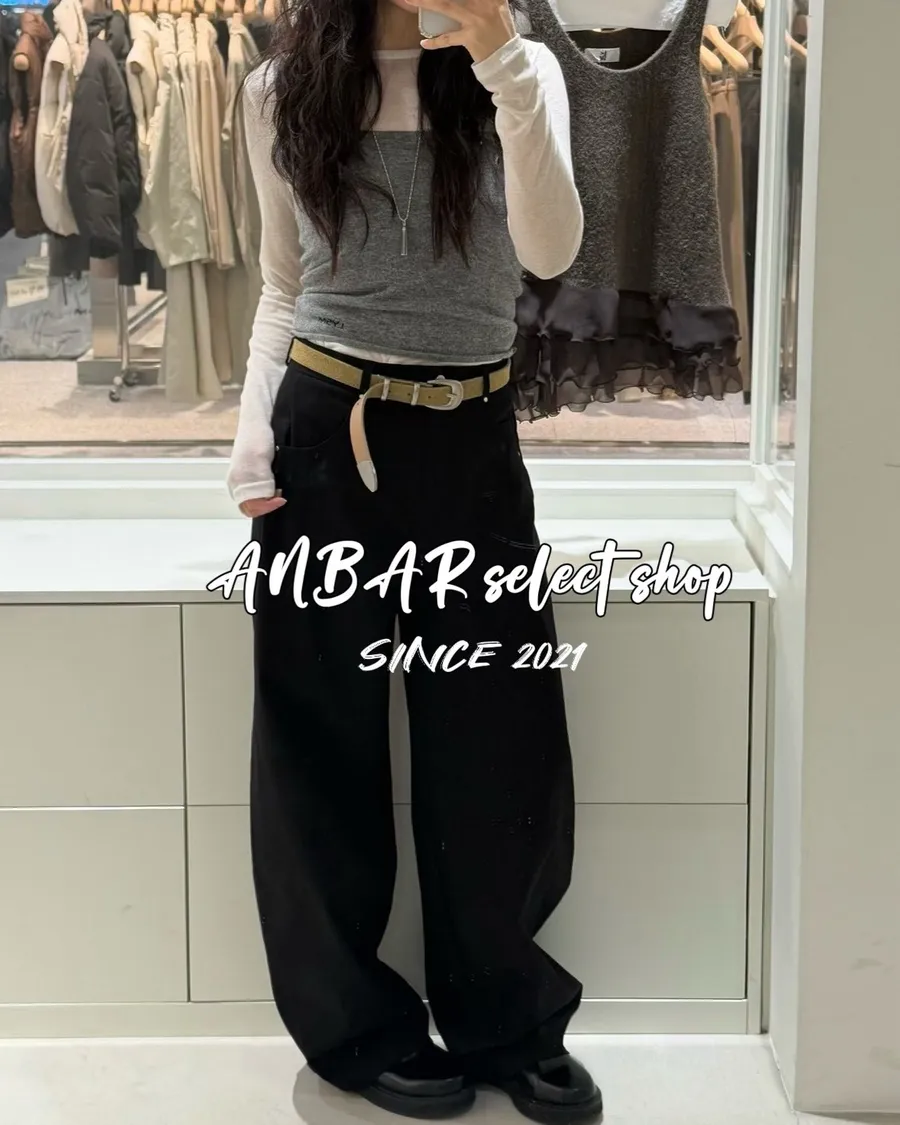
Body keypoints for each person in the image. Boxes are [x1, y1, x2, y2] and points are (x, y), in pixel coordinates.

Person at [227, 0, 601, 1118]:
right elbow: (284, 283)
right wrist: (251, 440)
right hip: (324, 433)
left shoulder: (519, 70)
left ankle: (508, 1019)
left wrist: (499, 59)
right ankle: (354, 1028)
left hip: (473, 438)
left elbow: (549, 252)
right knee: (319, 739)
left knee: (500, 737)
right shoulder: (280, 90)